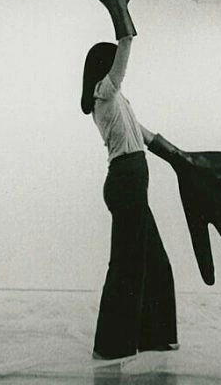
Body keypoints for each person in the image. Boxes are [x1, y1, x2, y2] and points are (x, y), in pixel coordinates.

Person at [82, 37, 178, 360]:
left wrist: (179, 157)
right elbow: (122, 56)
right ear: (103, 68)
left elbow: (144, 135)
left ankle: (156, 337)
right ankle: (110, 346)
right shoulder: (103, 94)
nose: (118, 70)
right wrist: (125, 30)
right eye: (112, 64)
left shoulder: (118, 100)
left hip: (132, 183)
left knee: (155, 261)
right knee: (126, 265)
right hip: (126, 182)